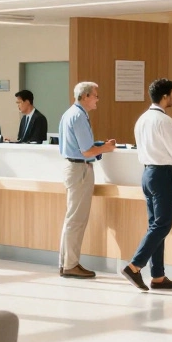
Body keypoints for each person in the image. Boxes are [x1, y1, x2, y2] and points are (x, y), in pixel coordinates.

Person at [121, 79, 172, 292]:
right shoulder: (164, 120)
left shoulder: (142, 119)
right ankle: (134, 266)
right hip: (162, 174)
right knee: (162, 225)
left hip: (147, 173)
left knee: (155, 225)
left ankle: (157, 276)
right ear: (165, 96)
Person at [57, 81, 117, 279]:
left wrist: (99, 145)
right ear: (85, 96)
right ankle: (71, 265)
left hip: (72, 168)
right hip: (80, 170)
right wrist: (106, 148)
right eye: (95, 95)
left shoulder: (69, 113)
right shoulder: (79, 117)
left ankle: (66, 262)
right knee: (77, 219)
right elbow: (86, 151)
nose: (97, 99)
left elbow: (82, 146)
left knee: (72, 218)